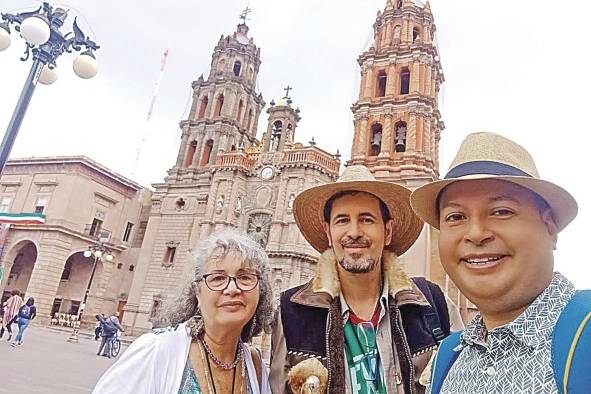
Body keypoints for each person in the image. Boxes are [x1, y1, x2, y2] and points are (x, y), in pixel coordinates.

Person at [410, 132, 588, 393]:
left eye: (502, 211)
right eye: (456, 216)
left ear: (549, 227)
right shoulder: (448, 358)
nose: (476, 233)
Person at [270, 165, 463, 394]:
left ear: (387, 231)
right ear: (328, 232)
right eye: (342, 220)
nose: (354, 232)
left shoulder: (431, 304)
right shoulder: (292, 312)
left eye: (367, 220)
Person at [93, 231, 273, 393]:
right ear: (197, 292)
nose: (232, 288)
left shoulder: (255, 366)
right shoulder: (156, 350)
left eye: (245, 277)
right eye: (218, 278)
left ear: (260, 292)